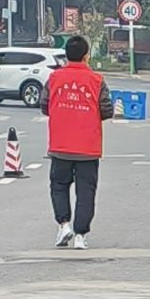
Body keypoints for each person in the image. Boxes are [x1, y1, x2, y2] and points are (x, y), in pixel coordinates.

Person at [42, 29, 106, 247]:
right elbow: (106, 110)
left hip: (60, 145)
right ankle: (80, 236)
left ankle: (64, 225)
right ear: (86, 56)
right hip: (88, 147)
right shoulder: (97, 80)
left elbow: (44, 105)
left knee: (59, 185)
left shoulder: (54, 78)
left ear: (66, 55)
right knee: (86, 191)